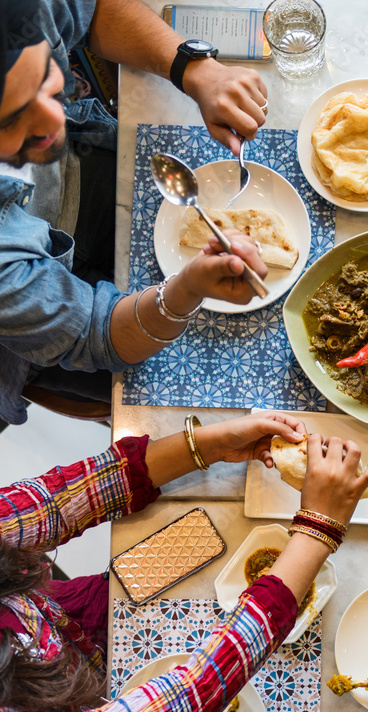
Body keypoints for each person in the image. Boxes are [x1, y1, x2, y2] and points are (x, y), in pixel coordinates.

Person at [0, 411, 368, 712]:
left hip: (76, 627)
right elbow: (183, 701)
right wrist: (316, 531)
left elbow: (56, 504)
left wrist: (208, 444)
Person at [0, 0, 271, 424]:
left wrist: (193, 68)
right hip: (42, 319)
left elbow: (90, 9)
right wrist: (184, 292)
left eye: (48, 81)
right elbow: (96, 333)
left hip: (89, 155)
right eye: (14, 121)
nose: (56, 115)